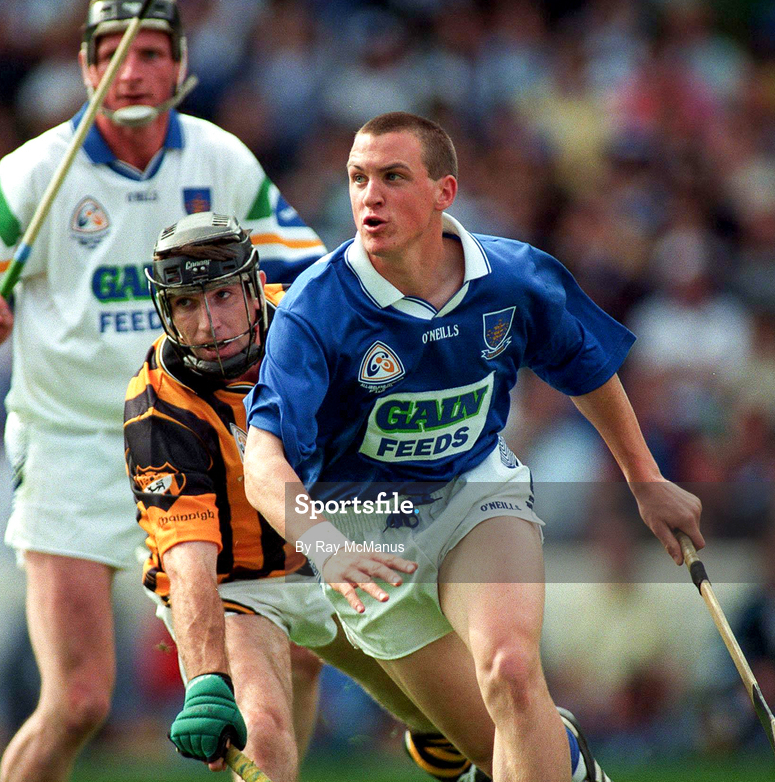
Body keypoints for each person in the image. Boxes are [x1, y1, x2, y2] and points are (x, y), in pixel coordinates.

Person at [0, 3, 325, 781]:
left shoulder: (222, 158)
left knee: (287, 665)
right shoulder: (36, 170)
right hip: (70, 446)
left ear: (179, 66)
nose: (129, 70)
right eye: (110, 53)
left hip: (196, 438)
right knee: (77, 701)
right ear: (84, 67)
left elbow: (303, 275)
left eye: (147, 52)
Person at [242, 111, 705, 781]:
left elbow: (588, 369)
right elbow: (263, 462)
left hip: (475, 496)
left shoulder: (513, 277)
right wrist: (328, 546)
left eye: (393, 177)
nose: (370, 195)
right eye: (357, 178)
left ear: (444, 192)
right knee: (496, 751)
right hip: (367, 538)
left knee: (512, 671)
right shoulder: (317, 309)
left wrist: (646, 481)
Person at [125, 211, 485, 780]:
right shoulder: (157, 407)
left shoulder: (317, 320)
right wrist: (207, 684)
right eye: (187, 304)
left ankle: (446, 749)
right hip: (237, 585)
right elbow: (189, 563)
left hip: (336, 550)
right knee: (260, 730)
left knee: (457, 720)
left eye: (221, 296)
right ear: (165, 310)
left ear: (251, 286)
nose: (208, 323)